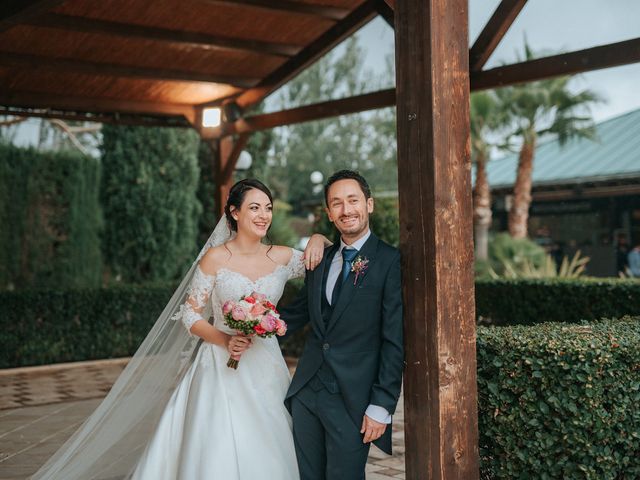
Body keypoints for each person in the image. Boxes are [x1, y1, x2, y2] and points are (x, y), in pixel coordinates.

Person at [32, 179, 329, 480]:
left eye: (268, 208)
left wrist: (318, 237)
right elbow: (190, 315)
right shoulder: (215, 258)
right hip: (219, 365)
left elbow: (331, 257)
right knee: (216, 441)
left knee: (271, 437)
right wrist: (225, 339)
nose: (264, 215)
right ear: (234, 212)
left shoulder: (282, 257)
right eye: (254, 207)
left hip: (266, 364)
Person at [279, 170, 404, 480]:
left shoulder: (390, 261)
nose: (346, 210)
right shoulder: (320, 258)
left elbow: (394, 339)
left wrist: (382, 405)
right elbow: (297, 313)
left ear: (369, 204)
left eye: (353, 200)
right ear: (328, 213)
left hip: (354, 399)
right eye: (337, 203)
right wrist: (251, 327)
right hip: (307, 391)